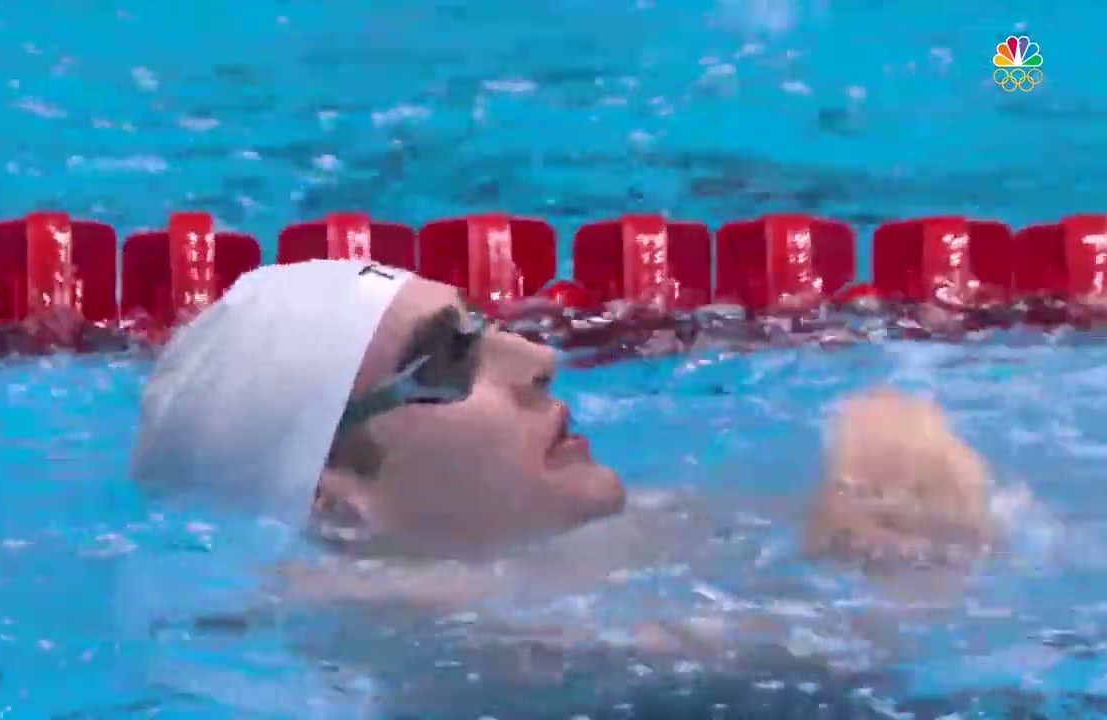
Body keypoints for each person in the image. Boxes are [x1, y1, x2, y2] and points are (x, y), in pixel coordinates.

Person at [128, 258, 1004, 717]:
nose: (541, 359)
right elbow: (861, 660)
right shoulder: (414, 627)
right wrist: (916, 560)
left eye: (486, 328)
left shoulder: (564, 553)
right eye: (448, 361)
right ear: (334, 505)